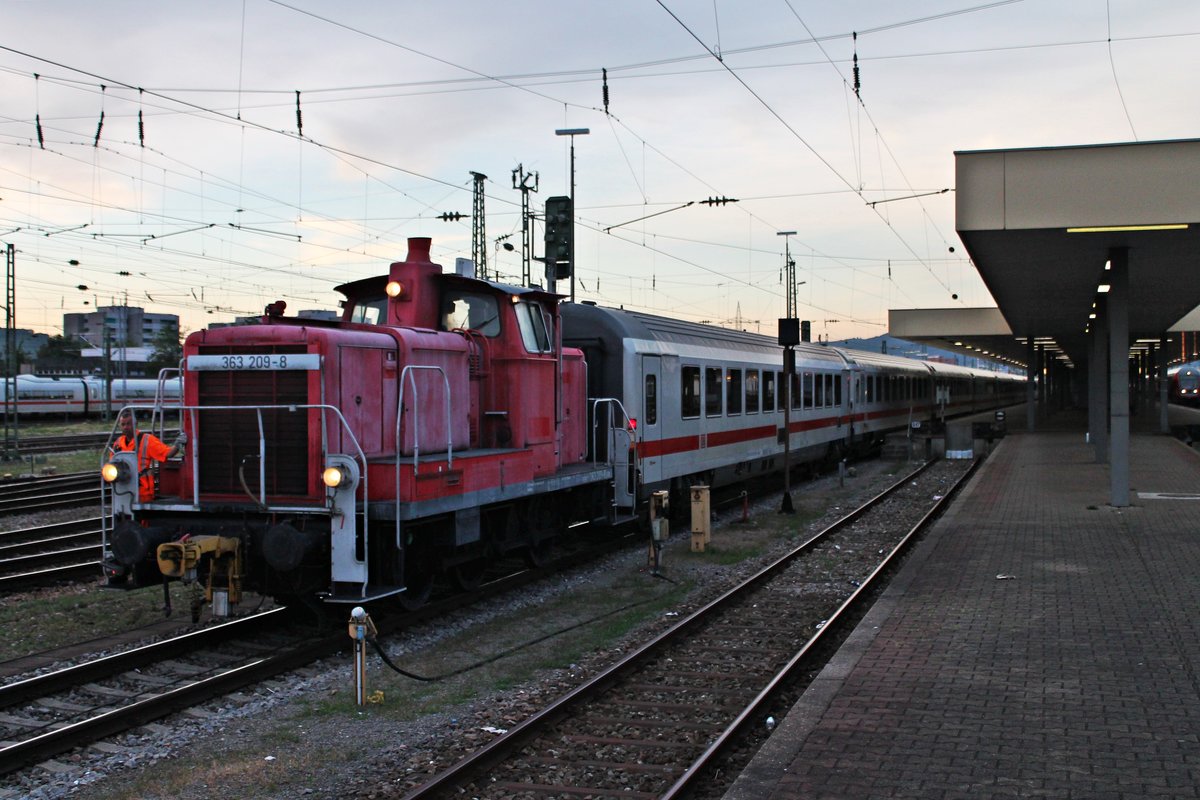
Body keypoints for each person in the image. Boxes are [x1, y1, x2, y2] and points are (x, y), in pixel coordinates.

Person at [110, 410, 187, 501]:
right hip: (123, 491)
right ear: (119, 426)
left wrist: (178, 444)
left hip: (143, 494)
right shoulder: (117, 443)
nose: (126, 427)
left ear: (136, 424)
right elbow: (112, 465)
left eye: (128, 424)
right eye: (123, 424)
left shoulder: (147, 440)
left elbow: (167, 453)